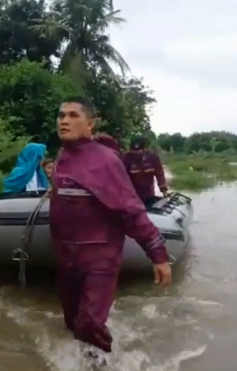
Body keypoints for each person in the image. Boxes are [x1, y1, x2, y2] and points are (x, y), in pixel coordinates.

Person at [49, 96, 172, 354]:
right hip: (67, 258)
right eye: (61, 115)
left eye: (73, 116)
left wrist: (158, 254)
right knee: (72, 323)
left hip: (99, 258)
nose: (64, 121)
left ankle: (104, 363)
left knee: (90, 326)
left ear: (90, 124)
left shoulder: (104, 161)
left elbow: (131, 210)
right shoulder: (62, 156)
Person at [122, 136, 168, 207]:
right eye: (134, 151)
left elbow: (160, 174)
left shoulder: (153, 157)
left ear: (145, 149)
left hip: (149, 194)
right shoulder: (127, 157)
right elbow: (122, 176)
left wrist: (164, 191)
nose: (137, 153)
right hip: (133, 194)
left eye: (140, 150)